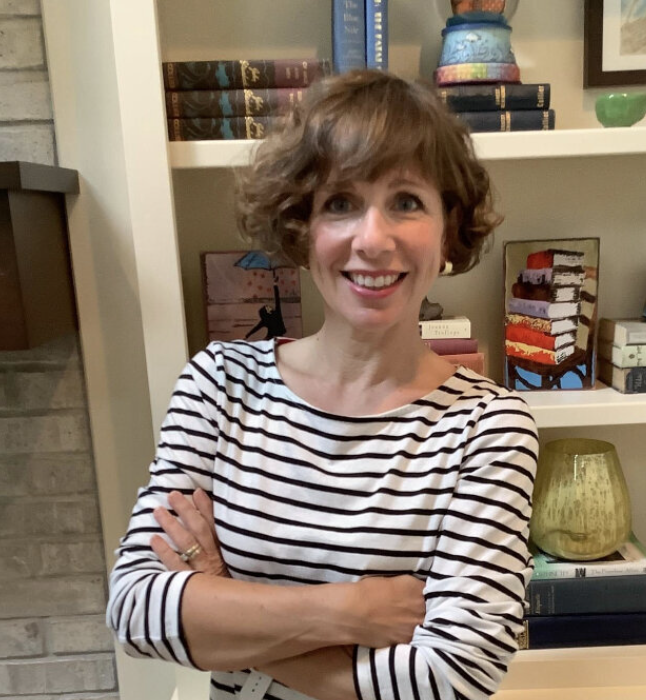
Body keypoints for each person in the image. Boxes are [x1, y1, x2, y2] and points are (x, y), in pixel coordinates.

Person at [107, 69, 539, 700]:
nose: (373, 238)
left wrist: (220, 596)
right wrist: (350, 611)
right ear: (300, 229)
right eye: (340, 203)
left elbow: (453, 677)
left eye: (406, 202)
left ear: (448, 230)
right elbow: (136, 610)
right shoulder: (219, 385)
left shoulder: (488, 428)